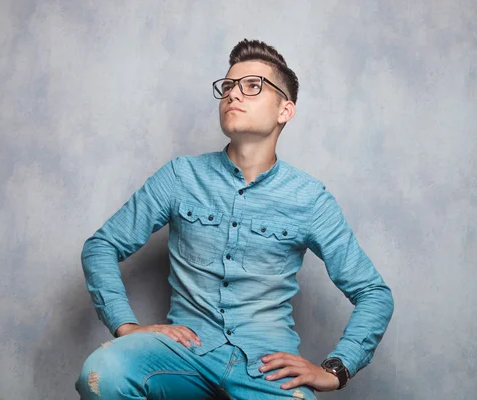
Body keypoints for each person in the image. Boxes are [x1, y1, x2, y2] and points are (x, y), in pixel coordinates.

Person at [76, 39, 394, 399]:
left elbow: (374, 293)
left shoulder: (310, 199)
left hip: (268, 368)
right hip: (185, 355)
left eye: (252, 86)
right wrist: (125, 325)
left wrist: (336, 369)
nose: (233, 95)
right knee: (103, 374)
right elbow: (101, 246)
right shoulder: (181, 176)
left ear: (285, 111)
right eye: (227, 86)